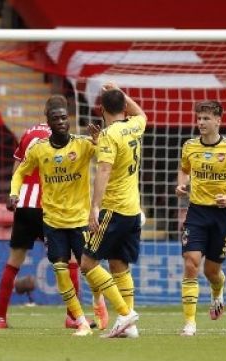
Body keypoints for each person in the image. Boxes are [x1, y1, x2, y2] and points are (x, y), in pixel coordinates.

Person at [0, 99, 108, 330]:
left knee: (14, 261)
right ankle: (73, 316)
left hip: (25, 204)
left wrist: (14, 193)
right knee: (72, 263)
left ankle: (0, 318)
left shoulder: (29, 134)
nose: (61, 121)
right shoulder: (69, 139)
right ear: (54, 117)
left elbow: (18, 169)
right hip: (53, 206)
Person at [175, 101, 226, 336]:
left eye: (206, 118)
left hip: (222, 215)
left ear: (218, 121)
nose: (201, 122)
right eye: (199, 118)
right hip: (197, 212)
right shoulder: (189, 146)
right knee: (191, 263)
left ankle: (217, 291)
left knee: (211, 271)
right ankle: (190, 323)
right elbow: (185, 169)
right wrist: (182, 183)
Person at [81, 82, 143, 338]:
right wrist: (122, 92)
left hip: (113, 208)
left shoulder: (109, 135)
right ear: (124, 107)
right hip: (133, 209)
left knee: (87, 264)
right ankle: (130, 327)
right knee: (119, 265)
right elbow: (141, 114)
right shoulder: (135, 125)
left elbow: (104, 170)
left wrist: (95, 207)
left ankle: (124, 313)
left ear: (102, 109)